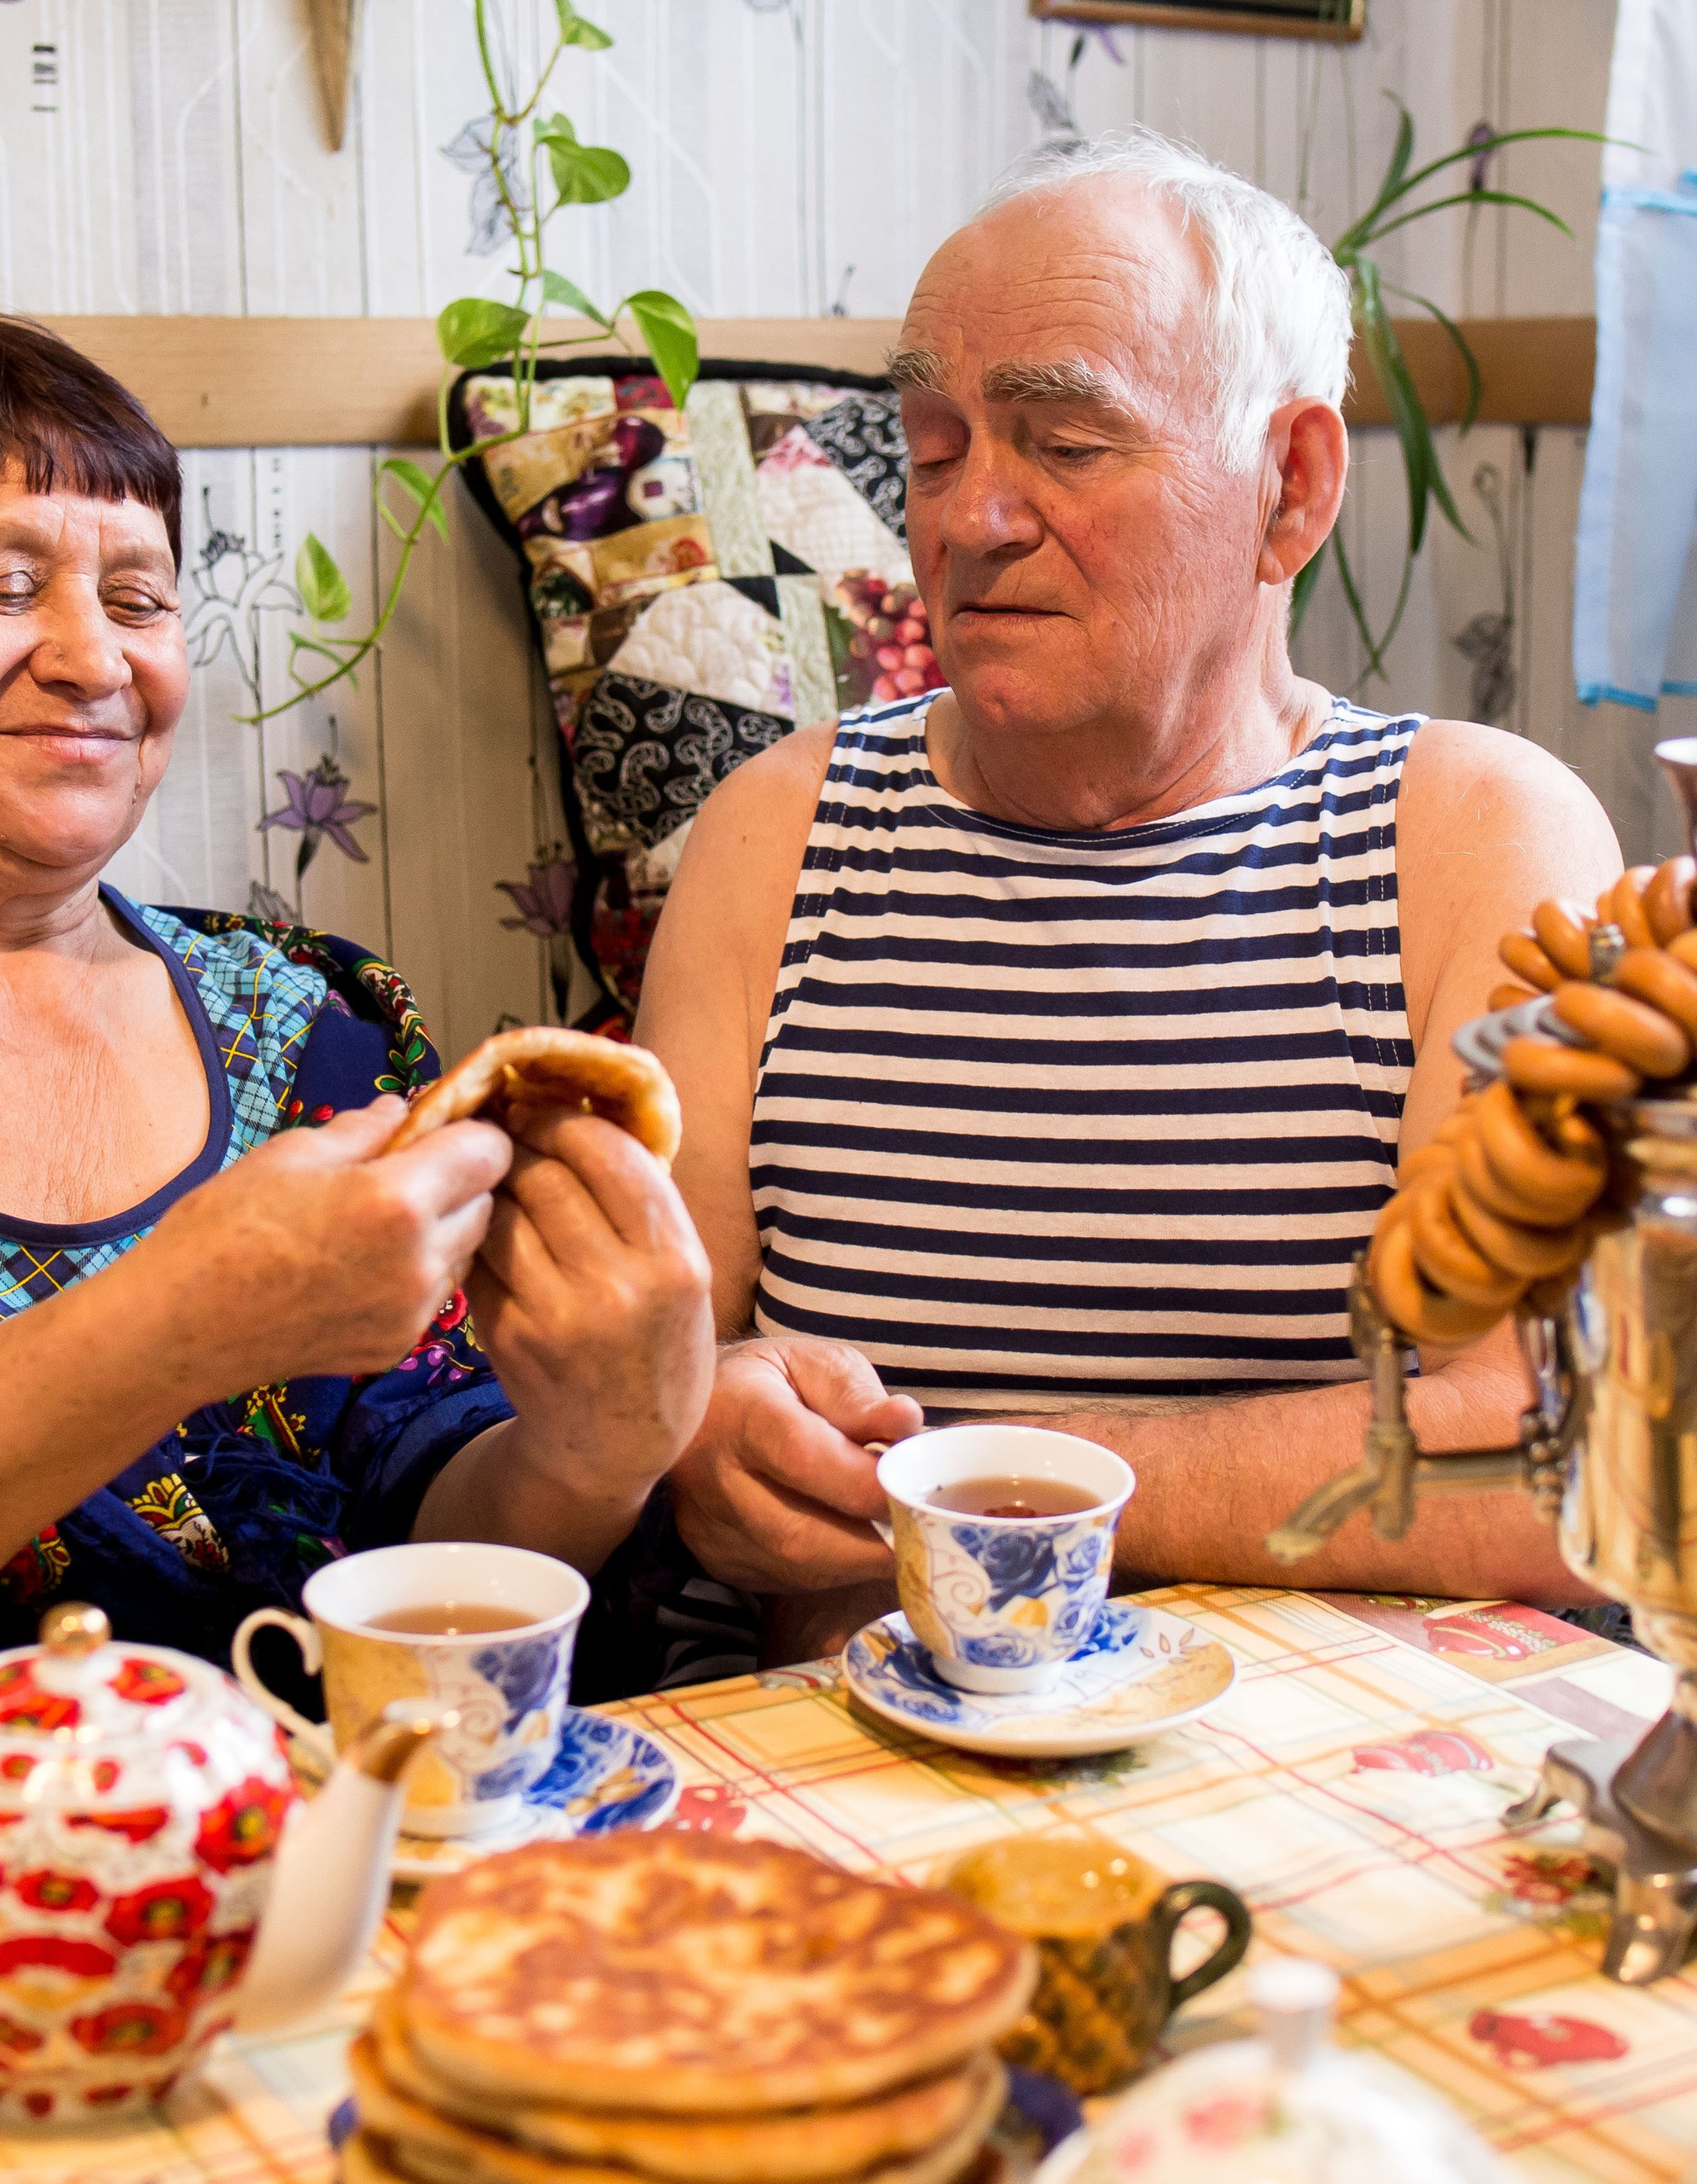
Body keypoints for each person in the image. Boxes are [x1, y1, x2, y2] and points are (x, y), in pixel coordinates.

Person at [0, 316, 713, 1907]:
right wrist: (189, 1316)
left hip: (310, 1924)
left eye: (141, 597)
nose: (97, 657)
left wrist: (603, 1444)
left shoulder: (320, 1026)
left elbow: (436, 1526)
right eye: (4, 585)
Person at [635, 131, 1619, 1655]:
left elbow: (1544, 1467)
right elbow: (649, 1364)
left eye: (1066, 444)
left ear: (1290, 488)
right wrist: (693, 1435)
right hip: (854, 1781)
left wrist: (976, 1493)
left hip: (1340, 1788)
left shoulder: (1472, 842)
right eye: (938, 442)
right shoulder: (778, 835)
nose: (967, 521)